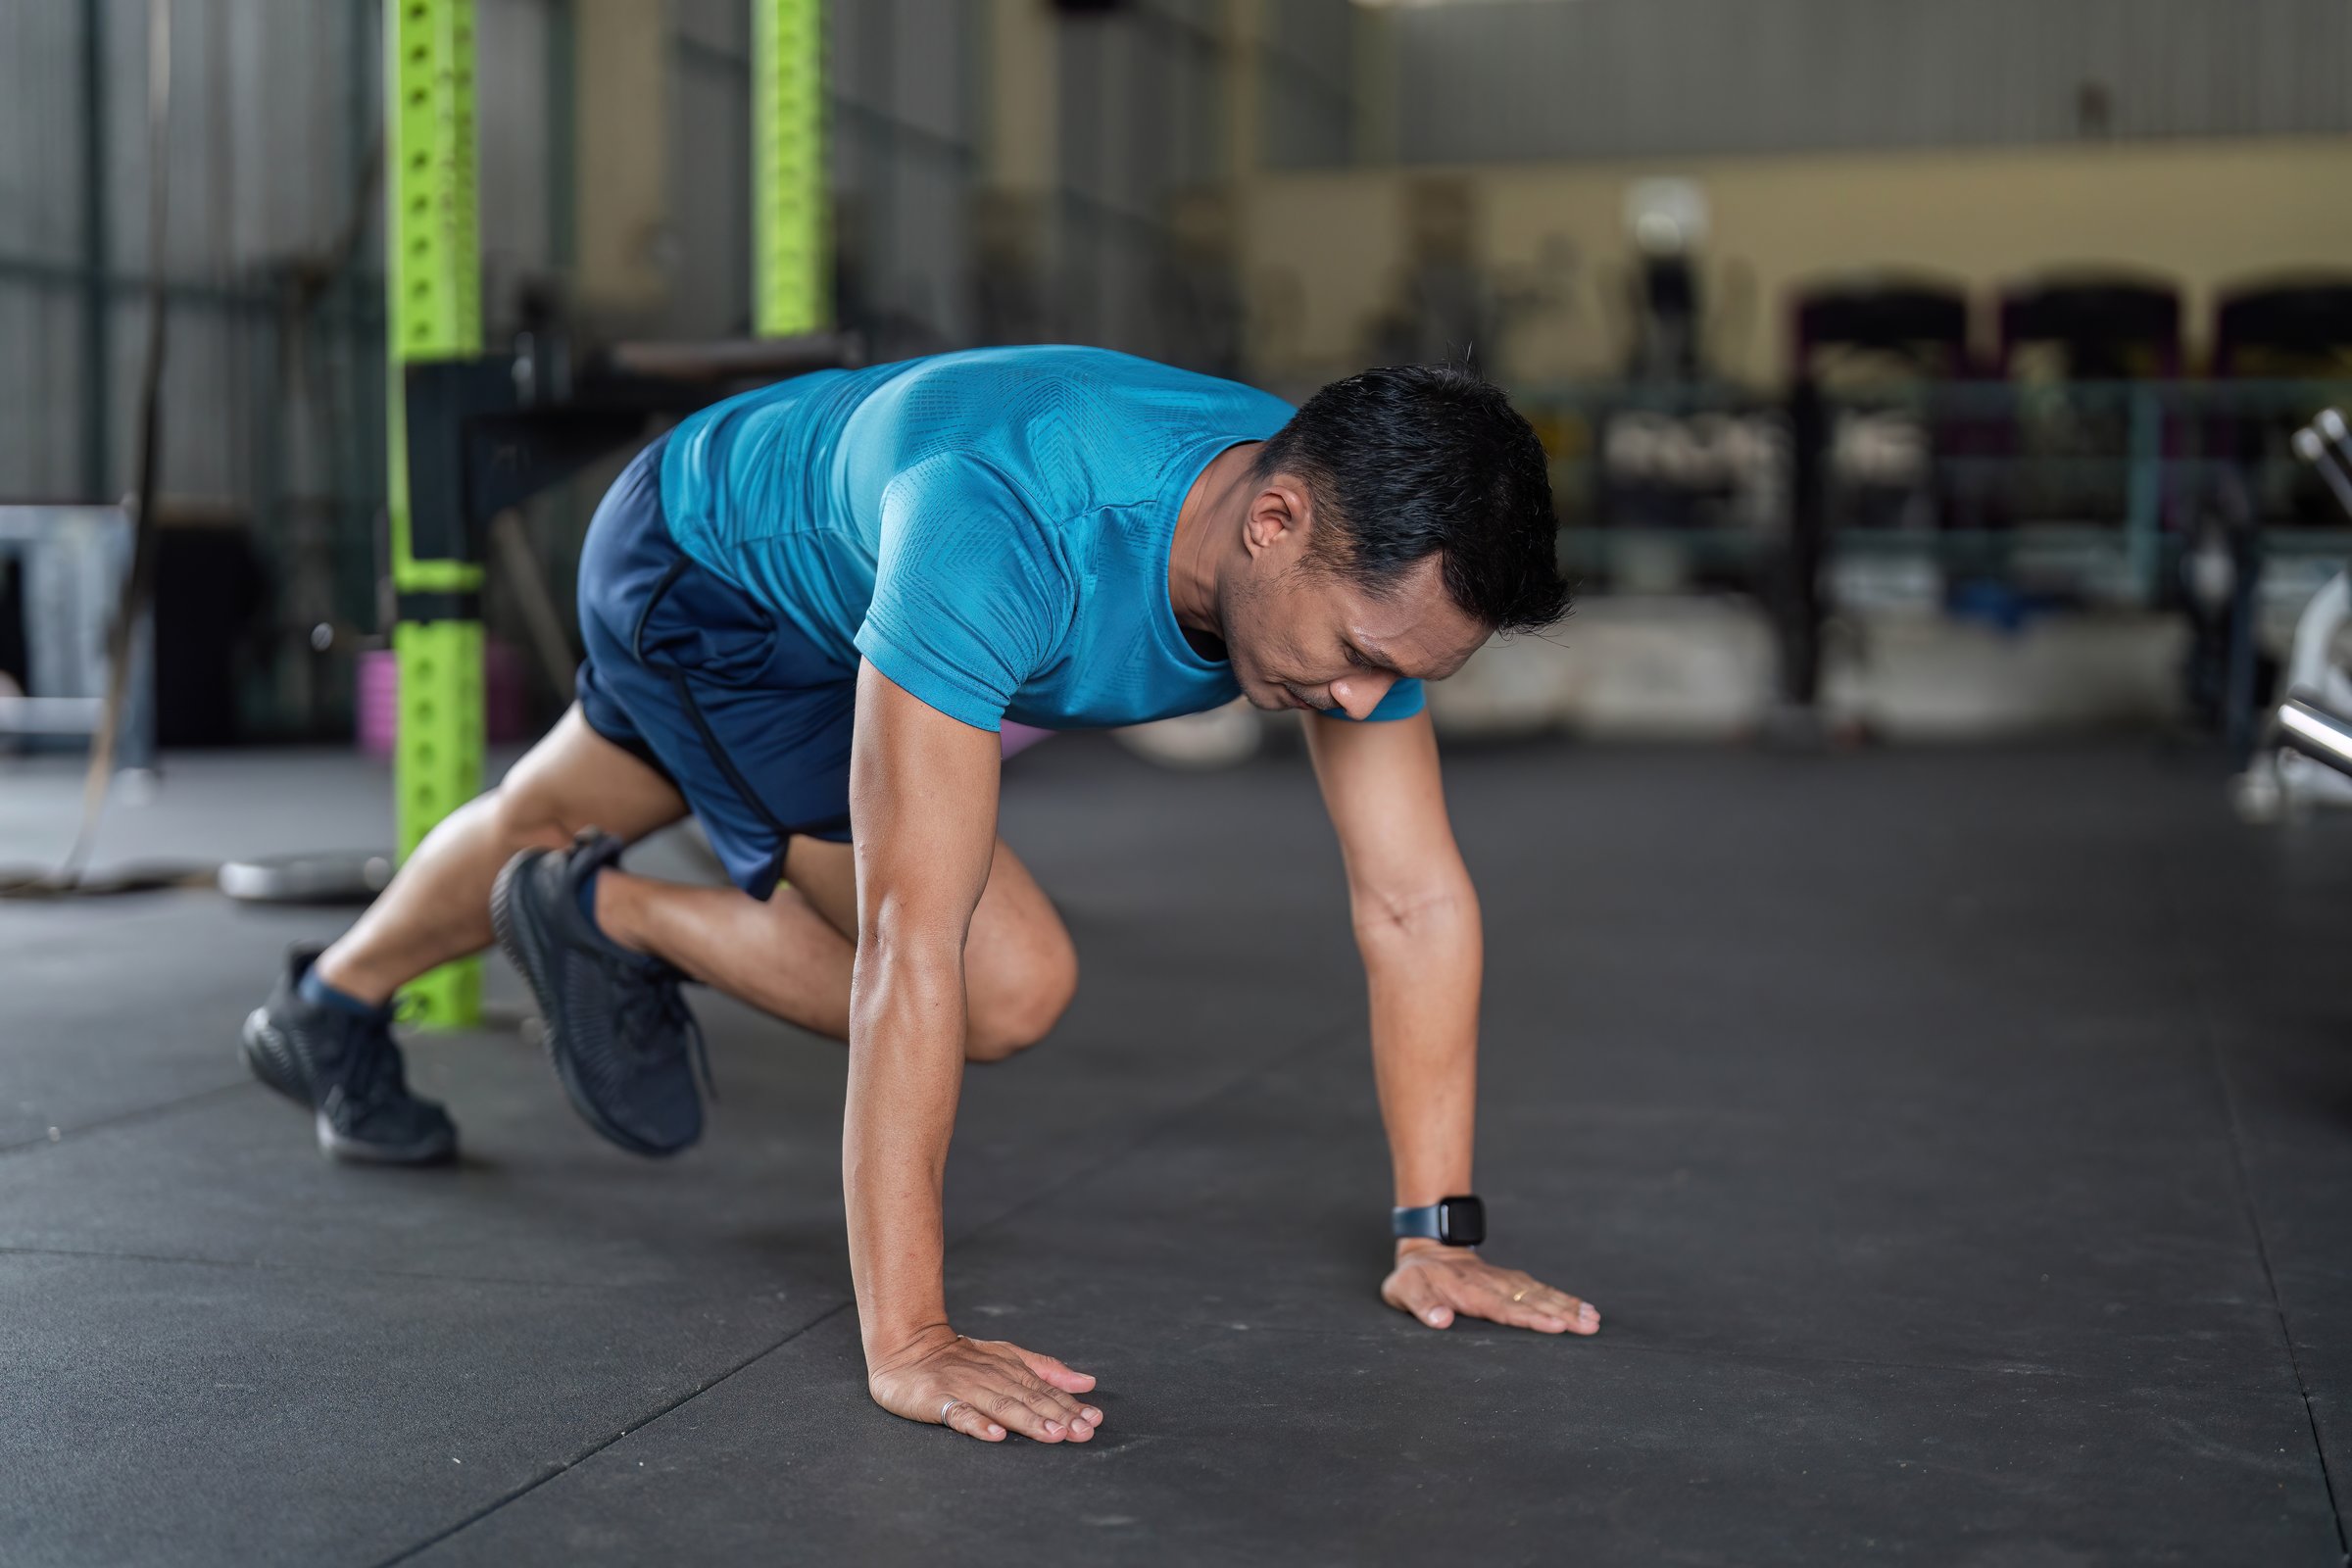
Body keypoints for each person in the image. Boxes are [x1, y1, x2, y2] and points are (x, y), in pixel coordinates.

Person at [239, 346, 1598, 1446]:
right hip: (720, 582)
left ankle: (328, 1008)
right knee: (1008, 983)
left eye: (1407, 671)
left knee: (562, 803)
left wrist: (1440, 1235)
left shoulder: (1344, 535)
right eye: (1359, 656)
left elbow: (1414, 899)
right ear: (1275, 519)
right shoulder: (1005, 530)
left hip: (826, 561)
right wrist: (913, 1339)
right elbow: (910, 942)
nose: (1370, 700)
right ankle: (609, 916)